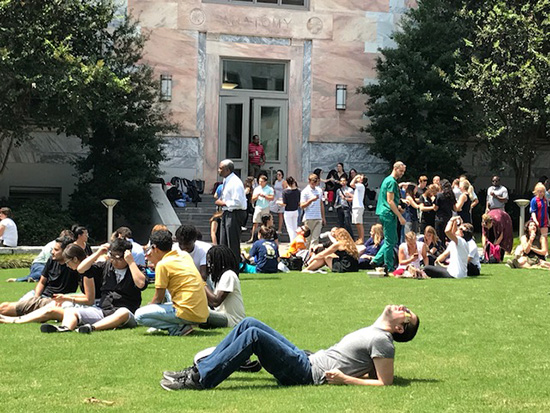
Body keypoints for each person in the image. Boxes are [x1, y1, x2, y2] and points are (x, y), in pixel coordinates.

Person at [159, 304, 420, 391]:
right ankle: (199, 369)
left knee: (253, 336)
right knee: (249, 323)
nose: (401, 308)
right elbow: (372, 372)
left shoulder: (384, 342)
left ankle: (200, 379)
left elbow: (384, 382)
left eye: (406, 314)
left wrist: (344, 379)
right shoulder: (376, 332)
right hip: (307, 358)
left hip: (308, 373)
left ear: (399, 329)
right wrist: (354, 374)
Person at [40, 238, 147, 334]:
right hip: (103, 310)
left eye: (117, 257)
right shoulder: (106, 266)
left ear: (127, 256)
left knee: (123, 312)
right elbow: (81, 268)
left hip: (127, 313)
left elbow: (141, 284)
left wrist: (131, 262)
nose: (113, 261)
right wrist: (98, 253)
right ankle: (65, 328)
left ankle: (92, 328)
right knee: (71, 310)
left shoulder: (136, 269)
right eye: (111, 256)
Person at [0, 244, 99, 325]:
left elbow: (89, 299)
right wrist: (65, 297)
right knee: (6, 307)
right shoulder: (54, 262)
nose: (67, 265)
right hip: (44, 297)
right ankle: (13, 319)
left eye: (68, 262)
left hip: (57, 301)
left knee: (49, 310)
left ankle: (14, 320)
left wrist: (66, 298)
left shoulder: (85, 272)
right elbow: (42, 282)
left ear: (75, 259)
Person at [135, 230, 208, 336]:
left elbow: (158, 298)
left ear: (155, 248)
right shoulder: (184, 255)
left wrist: (149, 306)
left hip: (186, 312)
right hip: (202, 313)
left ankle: (176, 328)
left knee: (139, 315)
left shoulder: (163, 264)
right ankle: (182, 326)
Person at [0, 236, 78, 316]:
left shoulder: (75, 267)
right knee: (8, 306)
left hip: (56, 300)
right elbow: (42, 282)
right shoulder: (51, 260)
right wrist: (36, 298)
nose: (52, 252)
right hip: (40, 295)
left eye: (56, 250)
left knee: (5, 308)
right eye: (53, 249)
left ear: (66, 251)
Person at [370, 162, 407, 272]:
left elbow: (390, 200)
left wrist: (399, 205)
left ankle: (376, 260)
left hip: (385, 212)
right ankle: (389, 266)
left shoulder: (387, 180)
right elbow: (390, 201)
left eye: (403, 172)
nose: (402, 174)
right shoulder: (391, 181)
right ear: (395, 168)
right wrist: (400, 216)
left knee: (392, 239)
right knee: (390, 241)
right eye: (401, 171)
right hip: (388, 213)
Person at [201, 245, 245, 328]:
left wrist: (201, 283)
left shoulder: (228, 275)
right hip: (221, 315)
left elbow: (216, 302)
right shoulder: (220, 278)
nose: (209, 265)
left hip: (232, 319)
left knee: (196, 312)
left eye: (211, 262)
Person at [6, 229, 74, 283]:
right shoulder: (53, 245)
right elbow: (49, 262)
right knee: (42, 272)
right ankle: (19, 280)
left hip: (49, 264)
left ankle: (35, 280)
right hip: (40, 264)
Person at [215, 159, 248, 260]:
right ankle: (224, 268)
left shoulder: (235, 182)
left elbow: (238, 202)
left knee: (232, 243)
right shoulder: (226, 180)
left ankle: (234, 269)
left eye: (221, 168)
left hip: (235, 213)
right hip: (227, 212)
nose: (218, 170)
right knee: (223, 242)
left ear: (228, 170)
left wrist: (223, 203)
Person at [300, 173, 326, 248]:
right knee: (308, 239)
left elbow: (321, 204)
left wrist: (323, 217)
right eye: (313, 182)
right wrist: (311, 200)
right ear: (309, 181)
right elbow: (302, 205)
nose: (315, 184)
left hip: (318, 217)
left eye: (316, 182)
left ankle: (313, 255)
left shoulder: (319, 190)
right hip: (309, 217)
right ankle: (307, 255)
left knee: (315, 239)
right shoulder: (305, 191)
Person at [249, 174, 274, 243]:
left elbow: (272, 198)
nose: (260, 183)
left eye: (262, 181)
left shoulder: (269, 189)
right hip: (258, 207)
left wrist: (265, 196)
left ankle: (266, 236)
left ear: (265, 182)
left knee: (266, 222)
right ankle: (253, 237)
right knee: (255, 222)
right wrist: (256, 197)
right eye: (259, 181)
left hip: (265, 206)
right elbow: (252, 199)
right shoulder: (257, 189)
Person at [279, 176, 300, 242]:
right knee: (295, 227)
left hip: (288, 211)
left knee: (290, 228)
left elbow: (284, 203)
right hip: (295, 210)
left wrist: (279, 202)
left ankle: (292, 242)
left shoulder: (285, 192)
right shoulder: (298, 191)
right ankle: (296, 242)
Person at [530, 182, 548, 254]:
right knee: (534, 236)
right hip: (536, 221)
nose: (541, 193)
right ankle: (533, 250)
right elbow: (533, 212)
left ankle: (545, 252)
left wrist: (548, 220)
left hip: (544, 221)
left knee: (544, 237)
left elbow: (546, 211)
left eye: (542, 192)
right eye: (539, 192)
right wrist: (535, 221)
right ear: (536, 192)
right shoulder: (534, 200)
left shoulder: (545, 200)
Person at [349, 174, 366, 244]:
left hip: (358, 207)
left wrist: (355, 177)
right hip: (356, 206)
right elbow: (356, 196)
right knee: (357, 223)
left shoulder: (360, 185)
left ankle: (361, 238)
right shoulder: (359, 188)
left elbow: (351, 184)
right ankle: (360, 238)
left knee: (359, 223)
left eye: (360, 177)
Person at [270, 170, 287, 234]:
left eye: (279, 174)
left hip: (281, 198)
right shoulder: (276, 181)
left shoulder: (283, 182)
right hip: (275, 197)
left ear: (282, 175)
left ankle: (280, 229)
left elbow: (285, 190)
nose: (278, 176)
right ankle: (272, 225)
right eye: (277, 174)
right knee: (271, 209)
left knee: (280, 214)